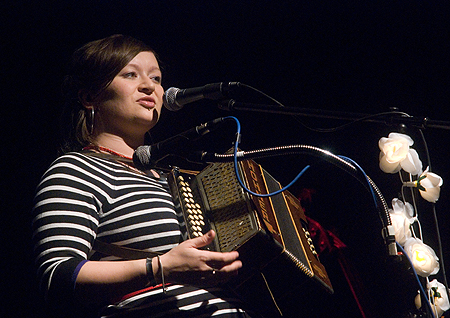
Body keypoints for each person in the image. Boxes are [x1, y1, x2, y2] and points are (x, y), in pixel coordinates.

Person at [31, 34, 255, 318]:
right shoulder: (76, 168)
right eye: (130, 74)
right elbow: (58, 278)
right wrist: (160, 268)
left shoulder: (171, 176)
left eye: (157, 79)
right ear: (90, 98)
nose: (150, 86)